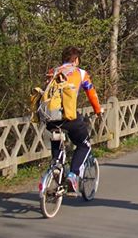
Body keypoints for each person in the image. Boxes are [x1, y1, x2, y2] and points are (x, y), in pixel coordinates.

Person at [44, 46, 102, 194]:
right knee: (84, 145)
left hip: (50, 118)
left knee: (56, 136)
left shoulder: (53, 72)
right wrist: (97, 110)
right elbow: (91, 93)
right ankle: (73, 174)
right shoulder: (81, 73)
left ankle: (56, 166)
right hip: (69, 117)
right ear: (75, 60)